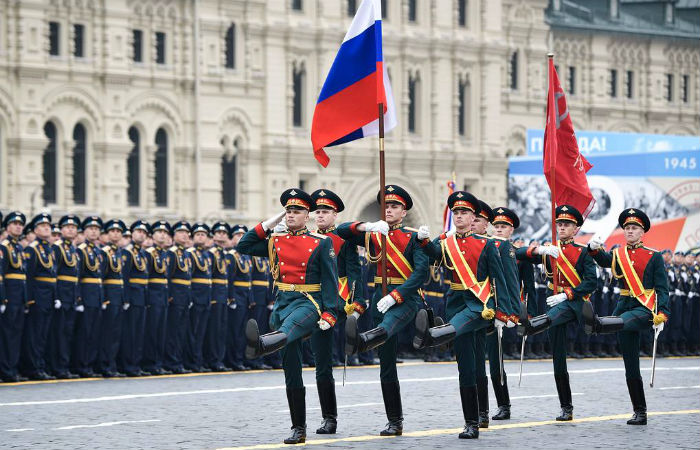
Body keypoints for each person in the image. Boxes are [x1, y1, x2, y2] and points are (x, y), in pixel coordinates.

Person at [237, 188, 340, 445]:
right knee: (291, 369)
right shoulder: (276, 241)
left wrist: (330, 312)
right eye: (289, 211)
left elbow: (330, 281)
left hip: (309, 302)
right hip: (283, 302)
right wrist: (272, 221)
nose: (292, 215)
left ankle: (262, 344)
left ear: (308, 216)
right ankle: (298, 427)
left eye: (297, 211)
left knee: (292, 329)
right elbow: (244, 244)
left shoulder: (321, 242)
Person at [412, 191, 515, 439]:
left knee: (457, 328)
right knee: (468, 366)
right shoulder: (447, 244)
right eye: (456, 213)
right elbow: (435, 255)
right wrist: (424, 242)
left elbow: (500, 280)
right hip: (455, 302)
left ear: (473, 217)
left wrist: (505, 312)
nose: (459, 216)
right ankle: (475, 419)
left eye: (464, 213)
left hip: (480, 305)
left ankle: (431, 336)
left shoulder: (488, 245)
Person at [340, 185, 429, 437]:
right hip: (380, 297)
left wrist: (396, 295)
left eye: (395, 207)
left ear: (404, 212)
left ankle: (359, 342)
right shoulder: (375, 234)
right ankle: (394, 420)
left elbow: (421, 273)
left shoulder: (414, 237)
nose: (389, 210)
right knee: (386, 365)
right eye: (386, 206)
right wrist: (367, 227)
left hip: (405, 298)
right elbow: (341, 230)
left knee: (387, 328)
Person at [583, 208, 669, 425]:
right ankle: (640, 411)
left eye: (634, 228)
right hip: (623, 305)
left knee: (626, 321)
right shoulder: (619, 253)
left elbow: (663, 288)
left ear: (642, 232)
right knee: (631, 365)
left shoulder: (654, 256)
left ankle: (597, 324)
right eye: (627, 228)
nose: (630, 231)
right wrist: (593, 249)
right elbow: (604, 260)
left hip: (644, 307)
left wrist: (663, 313)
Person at [516, 205, 597, 421]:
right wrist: (539, 250)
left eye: (567, 224)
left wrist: (568, 294)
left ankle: (530, 326)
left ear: (576, 228)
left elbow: (591, 282)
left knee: (554, 317)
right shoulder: (550, 250)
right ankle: (566, 407)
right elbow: (518, 253)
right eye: (559, 224)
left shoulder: (583, 252)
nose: (562, 227)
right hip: (554, 302)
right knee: (558, 359)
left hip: (575, 302)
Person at [309, 188, 363, 434]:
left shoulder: (343, 239)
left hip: (339, 300)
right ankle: (328, 417)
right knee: (321, 363)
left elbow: (354, 271)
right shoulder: (307, 238)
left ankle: (330, 418)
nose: (320, 215)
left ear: (335, 215)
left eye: (325, 211)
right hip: (312, 300)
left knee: (328, 356)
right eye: (317, 211)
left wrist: (356, 302)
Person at [469, 201, 520, 427]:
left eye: (478, 220)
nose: (473, 223)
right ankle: (481, 409)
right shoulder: (466, 244)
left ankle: (503, 404)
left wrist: (508, 313)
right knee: (475, 363)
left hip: (492, 312)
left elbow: (509, 281)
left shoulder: (498, 247)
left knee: (495, 364)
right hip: (471, 309)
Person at [21, 213, 58, 380]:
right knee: (35, 334)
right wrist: (30, 300)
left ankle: (40, 365)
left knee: (44, 334)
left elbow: (53, 275)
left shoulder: (49, 249)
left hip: (49, 297)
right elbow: (28, 277)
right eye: (42, 226)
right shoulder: (32, 248)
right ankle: (32, 367)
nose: (46, 228)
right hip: (38, 296)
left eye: (48, 226)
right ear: (35, 230)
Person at [47, 214, 81, 379]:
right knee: (59, 333)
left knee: (67, 333)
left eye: (73, 228)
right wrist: (57, 296)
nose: (71, 229)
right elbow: (55, 273)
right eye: (68, 227)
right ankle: (57, 367)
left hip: (71, 296)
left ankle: (64, 366)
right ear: (61, 230)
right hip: (62, 295)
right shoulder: (57, 247)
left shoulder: (72, 249)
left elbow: (76, 275)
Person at [73, 216, 105, 378]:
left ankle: (89, 365)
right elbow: (77, 276)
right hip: (86, 296)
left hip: (97, 296)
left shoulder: (98, 251)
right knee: (84, 333)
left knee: (94, 333)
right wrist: (79, 298)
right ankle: (81, 365)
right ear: (84, 232)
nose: (94, 231)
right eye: (90, 229)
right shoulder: (80, 250)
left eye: (96, 229)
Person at [119, 220, 151, 377]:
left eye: (144, 232)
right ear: (132, 233)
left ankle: (136, 364)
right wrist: (125, 299)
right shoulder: (127, 252)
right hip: (132, 297)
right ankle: (128, 364)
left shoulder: (143, 253)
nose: (141, 234)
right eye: (138, 231)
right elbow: (124, 277)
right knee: (130, 333)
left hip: (142, 297)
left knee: (139, 333)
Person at [0, 211, 28, 382]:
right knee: (7, 334)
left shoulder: (18, 247)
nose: (18, 226)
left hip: (19, 297)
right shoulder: (4, 247)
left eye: (20, 224)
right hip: (10, 296)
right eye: (14, 224)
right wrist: (3, 298)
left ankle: (12, 368)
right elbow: (1, 274)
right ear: (7, 227)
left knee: (16, 334)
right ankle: (5, 370)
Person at [97, 219, 127, 377]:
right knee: (107, 333)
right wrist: (103, 299)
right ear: (107, 234)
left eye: (118, 232)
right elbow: (100, 277)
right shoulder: (104, 252)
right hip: (109, 297)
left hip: (118, 297)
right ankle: (104, 365)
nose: (116, 234)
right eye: (112, 231)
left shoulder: (120, 252)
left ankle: (112, 364)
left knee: (116, 333)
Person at [164, 221, 193, 374]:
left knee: (181, 331)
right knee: (173, 331)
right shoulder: (172, 253)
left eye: (186, 232)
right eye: (180, 232)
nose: (184, 234)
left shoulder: (186, 254)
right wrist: (170, 297)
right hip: (175, 298)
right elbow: (168, 277)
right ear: (174, 236)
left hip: (184, 298)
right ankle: (171, 362)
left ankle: (178, 360)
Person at [142, 220, 171, 375]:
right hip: (153, 296)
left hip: (163, 296)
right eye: (159, 232)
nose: (162, 235)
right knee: (152, 332)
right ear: (152, 236)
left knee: (161, 332)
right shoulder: (148, 254)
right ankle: (150, 363)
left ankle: (158, 362)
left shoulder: (165, 254)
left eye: (165, 233)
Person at [226, 225, 254, 371]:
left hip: (245, 297)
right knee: (235, 331)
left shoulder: (246, 256)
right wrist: (231, 298)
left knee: (243, 331)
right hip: (236, 296)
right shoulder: (231, 256)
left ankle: (241, 358)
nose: (241, 237)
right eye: (237, 235)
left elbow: (249, 281)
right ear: (232, 239)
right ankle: (234, 360)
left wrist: (251, 299)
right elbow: (229, 280)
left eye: (244, 235)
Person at [205, 222, 231, 372]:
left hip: (223, 296)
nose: (221, 235)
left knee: (221, 330)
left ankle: (219, 359)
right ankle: (214, 360)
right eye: (218, 232)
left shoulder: (224, 254)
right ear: (213, 236)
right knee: (214, 331)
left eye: (224, 233)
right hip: (214, 296)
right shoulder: (210, 254)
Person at [186, 222, 213, 373]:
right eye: (198, 234)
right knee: (193, 332)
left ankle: (199, 360)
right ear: (193, 237)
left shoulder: (207, 255)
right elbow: (188, 278)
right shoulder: (190, 253)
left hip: (206, 298)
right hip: (196, 297)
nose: (201, 237)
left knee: (202, 332)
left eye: (203, 235)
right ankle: (193, 361)